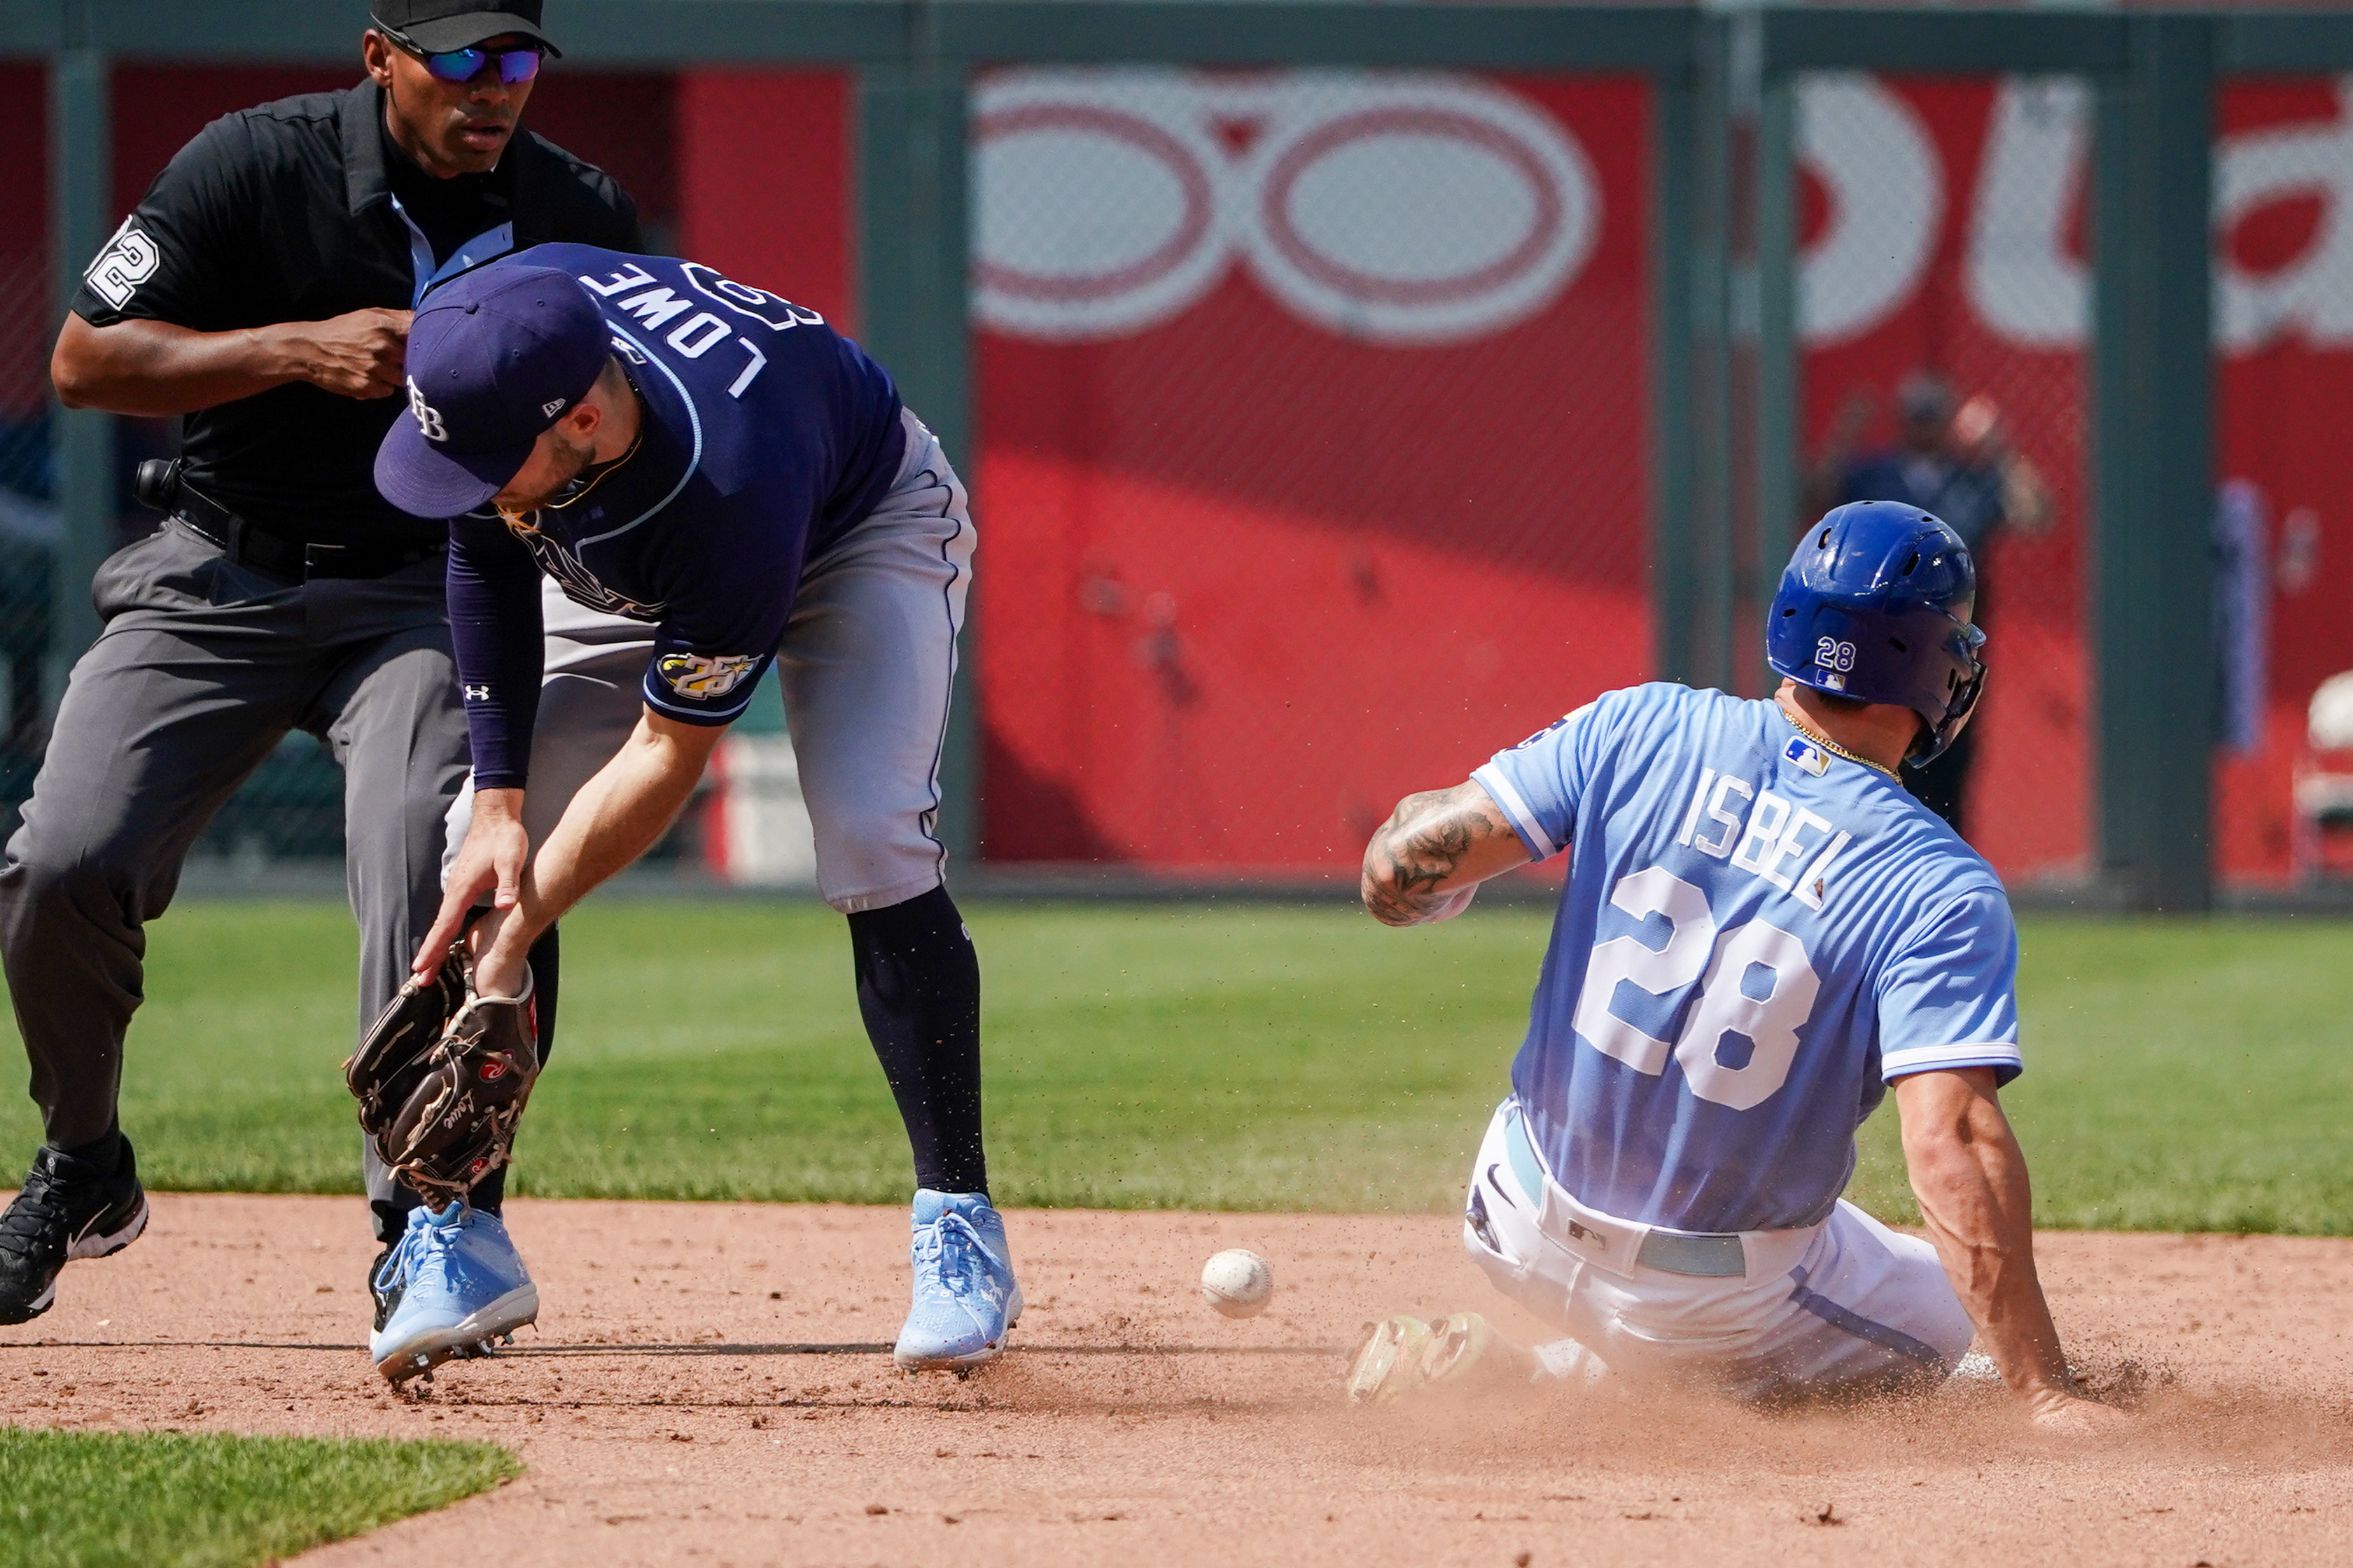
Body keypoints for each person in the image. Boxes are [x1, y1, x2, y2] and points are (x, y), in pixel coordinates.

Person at [0, 0, 641, 1339]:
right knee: (60, 859)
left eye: (516, 59)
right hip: (216, 572)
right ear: (379, 57)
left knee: (444, 845)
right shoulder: (250, 162)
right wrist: (292, 349)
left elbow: (624, 417)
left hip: (431, 588)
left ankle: (431, 1218)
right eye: (458, 57)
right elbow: (81, 363)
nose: (493, 87)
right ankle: (82, 1164)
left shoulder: (574, 209)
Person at [364, 246, 1015, 1380]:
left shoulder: (732, 473)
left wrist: (512, 942)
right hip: (642, 551)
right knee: (481, 831)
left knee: (870, 832)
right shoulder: (502, 339)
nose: (459, 479)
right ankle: (460, 1237)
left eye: (482, 459)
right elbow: (484, 560)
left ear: (577, 418)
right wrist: (505, 809)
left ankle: (959, 1227)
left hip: (851, 530)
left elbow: (667, 758)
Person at [1348, 501, 2119, 1432]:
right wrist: (2042, 1387)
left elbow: (1401, 862)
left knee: (1840, 1247)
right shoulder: (1935, 884)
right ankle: (1556, 1380)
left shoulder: (1640, 724)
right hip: (1703, 1308)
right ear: (1933, 665)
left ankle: (1552, 1360)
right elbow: (1949, 1144)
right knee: (1952, 1321)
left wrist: (1430, 888)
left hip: (1508, 1212)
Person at [1808, 372, 2051, 837]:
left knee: (1949, 758)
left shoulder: (1971, 478)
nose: (1923, 427)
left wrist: (1999, 448)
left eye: (1932, 417)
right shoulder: (1875, 474)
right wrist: (1843, 435)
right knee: (1876, 748)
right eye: (1915, 417)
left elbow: (2035, 514)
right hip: (1881, 646)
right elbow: (1815, 497)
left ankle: (1944, 858)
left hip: (1951, 649)